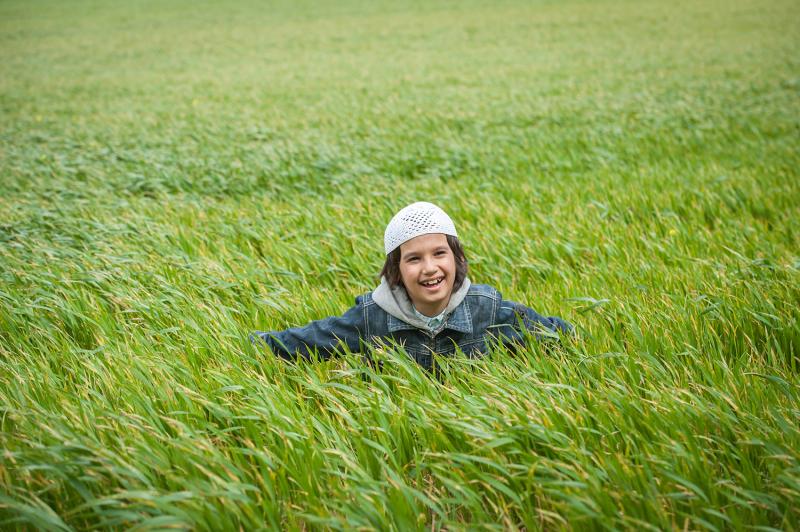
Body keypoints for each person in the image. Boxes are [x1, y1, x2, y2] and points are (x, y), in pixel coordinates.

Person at [251, 202, 572, 371]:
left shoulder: (486, 309)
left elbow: (552, 333)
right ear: (397, 271)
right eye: (414, 259)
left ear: (457, 259)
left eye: (439, 254)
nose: (430, 268)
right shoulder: (373, 316)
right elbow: (311, 341)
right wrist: (255, 346)